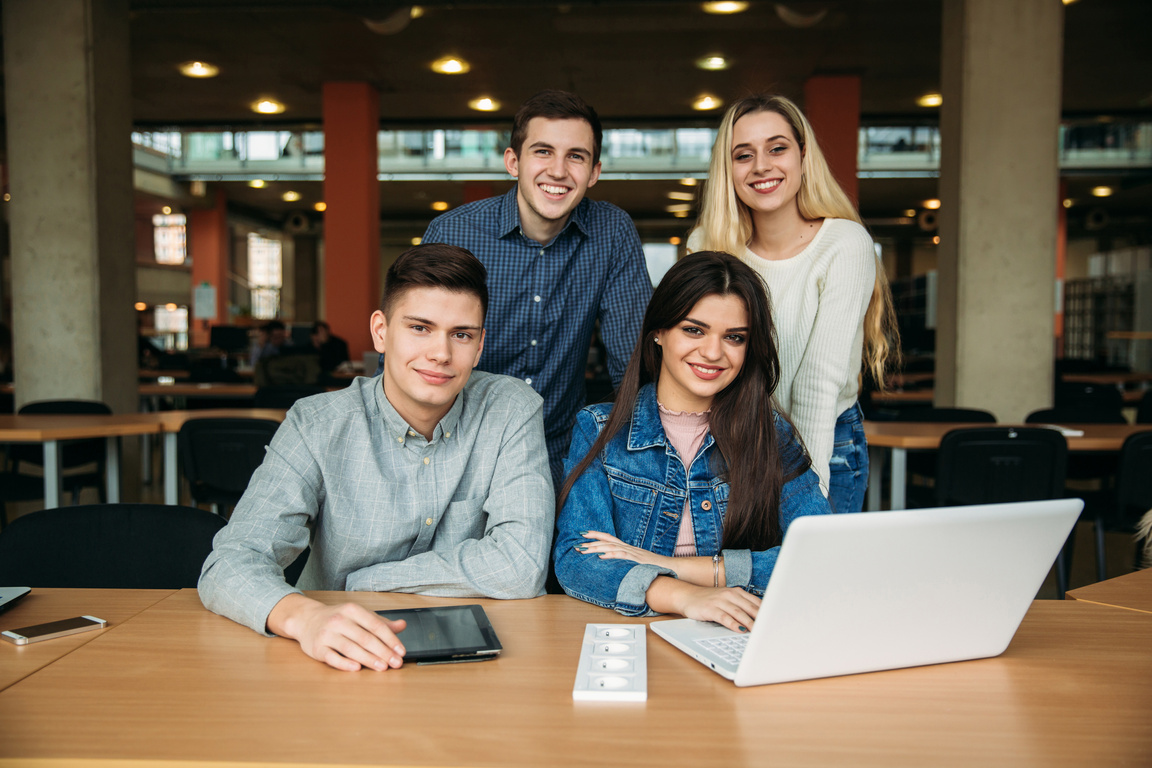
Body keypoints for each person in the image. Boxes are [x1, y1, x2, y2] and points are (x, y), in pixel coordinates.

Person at [200, 244, 555, 672]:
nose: (441, 353)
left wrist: (365, 581)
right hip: (333, 657)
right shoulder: (316, 423)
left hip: (471, 661)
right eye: (420, 328)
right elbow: (231, 562)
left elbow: (522, 565)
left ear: (479, 347)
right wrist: (306, 615)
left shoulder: (512, 409)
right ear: (381, 332)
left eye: (462, 334)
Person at [553, 252, 830, 632]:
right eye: (694, 330)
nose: (713, 353)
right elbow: (577, 559)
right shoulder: (600, 429)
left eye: (734, 338)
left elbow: (820, 556)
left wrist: (681, 568)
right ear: (659, 331)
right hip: (635, 631)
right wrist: (685, 596)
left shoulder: (772, 434)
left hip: (741, 632)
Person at [411, 89, 653, 485]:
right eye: (543, 151)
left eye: (576, 156)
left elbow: (634, 362)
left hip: (555, 455)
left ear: (594, 172)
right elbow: (416, 352)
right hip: (454, 450)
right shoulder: (454, 231)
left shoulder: (612, 232)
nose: (558, 171)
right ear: (513, 162)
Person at [687, 94, 900, 514]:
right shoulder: (706, 247)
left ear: (803, 156)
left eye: (777, 148)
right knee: (741, 578)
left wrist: (804, 502)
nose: (761, 165)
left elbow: (817, 386)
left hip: (824, 441)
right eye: (743, 155)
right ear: (727, 170)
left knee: (814, 575)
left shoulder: (844, 244)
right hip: (735, 439)